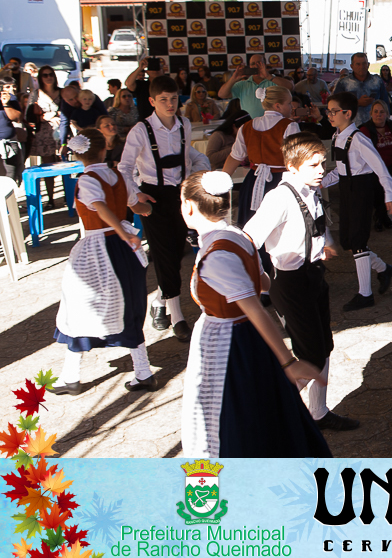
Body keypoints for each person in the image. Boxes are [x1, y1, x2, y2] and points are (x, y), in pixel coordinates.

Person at [178, 170, 330, 458]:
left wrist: (289, 362)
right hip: (244, 337)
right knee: (261, 410)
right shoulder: (236, 236)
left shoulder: (217, 255)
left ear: (188, 206)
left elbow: (256, 308)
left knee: (220, 421)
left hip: (226, 343)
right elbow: (264, 282)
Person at [244, 133, 358, 432]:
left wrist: (325, 245)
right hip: (291, 284)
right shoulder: (279, 198)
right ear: (292, 167)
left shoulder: (310, 190)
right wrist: (259, 276)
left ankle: (318, 412)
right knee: (309, 355)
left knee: (324, 347)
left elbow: (316, 226)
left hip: (313, 276)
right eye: (313, 165)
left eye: (322, 163)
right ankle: (266, 416)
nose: (321, 170)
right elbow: (248, 239)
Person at [50, 130, 153, 396]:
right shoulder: (118, 176)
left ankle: (71, 376)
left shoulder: (87, 180)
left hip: (99, 247)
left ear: (77, 154)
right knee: (129, 305)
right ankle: (142, 371)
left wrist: (124, 232)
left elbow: (101, 207)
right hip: (122, 248)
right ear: (105, 149)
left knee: (78, 307)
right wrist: (147, 207)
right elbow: (137, 206)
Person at [118, 75, 211, 342]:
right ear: (151, 101)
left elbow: (188, 154)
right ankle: (178, 318)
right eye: (163, 100)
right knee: (164, 255)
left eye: (173, 99)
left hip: (181, 194)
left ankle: (161, 301)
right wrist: (135, 198)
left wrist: (202, 169)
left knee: (179, 251)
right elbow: (124, 168)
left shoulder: (184, 123)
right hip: (154, 198)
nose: (170, 104)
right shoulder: (141, 130)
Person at [324, 92, 392, 312]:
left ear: (347, 113)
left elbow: (381, 169)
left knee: (357, 241)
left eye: (333, 111)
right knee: (348, 241)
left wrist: (389, 195)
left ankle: (365, 294)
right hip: (347, 189)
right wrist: (320, 183)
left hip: (362, 191)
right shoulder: (337, 136)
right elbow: (340, 171)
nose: (329, 115)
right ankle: (384, 268)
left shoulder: (359, 139)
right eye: (328, 111)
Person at [222, 85, 300, 234]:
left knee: (253, 225)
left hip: (253, 181)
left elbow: (235, 157)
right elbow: (296, 160)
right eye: (289, 103)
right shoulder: (290, 126)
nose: (291, 107)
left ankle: (254, 255)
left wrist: (222, 181)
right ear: (278, 106)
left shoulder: (246, 126)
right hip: (280, 180)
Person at [361, 99, 392, 231]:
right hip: (373, 166)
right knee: (376, 183)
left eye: (382, 112)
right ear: (371, 114)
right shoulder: (365, 130)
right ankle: (382, 216)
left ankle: (379, 214)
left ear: (387, 114)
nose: (379, 115)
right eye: (376, 112)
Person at [218, 53, 294, 118]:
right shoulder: (243, 84)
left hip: (272, 125)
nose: (256, 66)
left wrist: (268, 76)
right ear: (249, 66)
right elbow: (222, 94)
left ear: (264, 65)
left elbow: (290, 87)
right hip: (251, 126)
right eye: (253, 64)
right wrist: (233, 79)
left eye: (259, 63)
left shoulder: (273, 80)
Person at [331, 52, 390, 126]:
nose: (362, 67)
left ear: (368, 65)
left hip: (375, 127)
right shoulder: (344, 83)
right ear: (352, 66)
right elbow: (335, 106)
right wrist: (357, 103)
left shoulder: (377, 81)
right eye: (358, 64)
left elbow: (385, 104)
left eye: (364, 63)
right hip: (351, 127)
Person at [205, 100, 250, 169]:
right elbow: (210, 158)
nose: (244, 133)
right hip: (221, 170)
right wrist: (236, 147)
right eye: (242, 130)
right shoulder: (218, 135)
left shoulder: (248, 136)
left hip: (241, 169)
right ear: (233, 126)